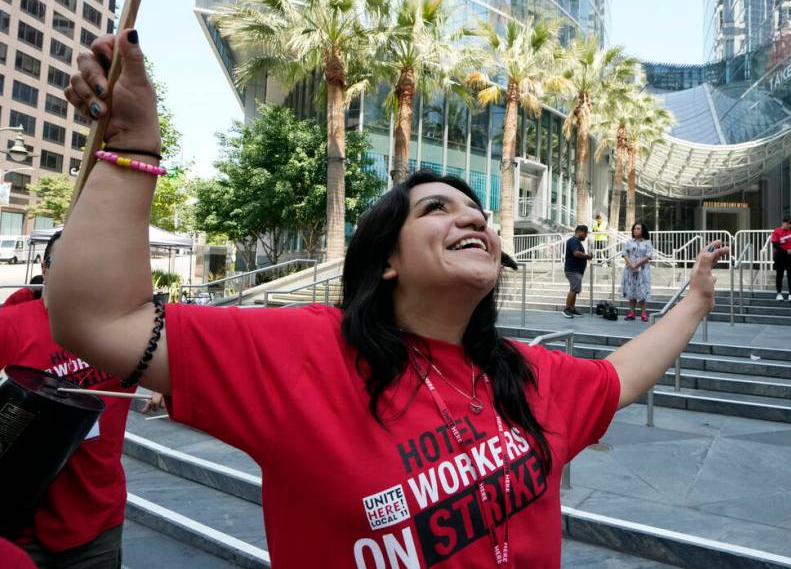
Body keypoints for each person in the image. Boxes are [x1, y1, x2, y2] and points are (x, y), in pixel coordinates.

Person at [49, 29, 729, 568]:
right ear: (389, 261)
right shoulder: (308, 353)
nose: (473, 219)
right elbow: (101, 319)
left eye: (479, 213)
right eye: (438, 207)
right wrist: (133, 145)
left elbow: (620, 378)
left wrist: (695, 298)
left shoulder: (528, 375)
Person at [0, 231, 163, 568]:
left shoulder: (123, 333)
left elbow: (183, 358)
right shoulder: (11, 323)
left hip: (96, 523)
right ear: (45, 270)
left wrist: (165, 384)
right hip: (18, 528)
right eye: (67, 266)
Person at [621, 222, 653, 322]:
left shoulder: (647, 242)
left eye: (638, 228)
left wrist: (637, 265)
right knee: (631, 291)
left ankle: (644, 313)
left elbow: (648, 256)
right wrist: (631, 265)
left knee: (642, 292)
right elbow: (625, 254)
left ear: (642, 230)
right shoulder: (629, 242)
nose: (636, 230)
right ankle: (632, 313)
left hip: (642, 270)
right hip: (630, 270)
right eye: (634, 228)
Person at [563, 224, 592, 318]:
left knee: (575, 290)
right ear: (580, 232)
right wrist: (587, 256)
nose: (585, 236)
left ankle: (572, 308)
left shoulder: (576, 241)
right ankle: (567, 309)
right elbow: (576, 253)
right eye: (585, 234)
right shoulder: (574, 240)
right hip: (573, 270)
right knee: (574, 289)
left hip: (576, 270)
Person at [770, 216, 791, 300]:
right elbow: (775, 245)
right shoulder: (777, 231)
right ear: (783, 223)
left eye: (790, 223)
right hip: (780, 256)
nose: (789, 225)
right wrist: (786, 251)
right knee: (779, 274)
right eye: (787, 223)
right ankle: (779, 293)